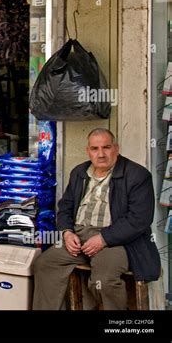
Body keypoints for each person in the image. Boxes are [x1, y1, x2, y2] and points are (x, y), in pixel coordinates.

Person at [32, 128, 161, 310]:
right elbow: (65, 207)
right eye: (95, 148)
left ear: (116, 148)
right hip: (78, 237)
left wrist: (103, 238)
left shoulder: (137, 175)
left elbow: (139, 218)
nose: (101, 154)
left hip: (116, 240)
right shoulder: (79, 172)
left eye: (106, 147)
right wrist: (67, 233)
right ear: (88, 151)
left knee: (104, 280)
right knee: (44, 264)